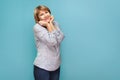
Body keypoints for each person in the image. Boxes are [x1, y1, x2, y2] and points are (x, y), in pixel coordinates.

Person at [33, 5, 64, 80]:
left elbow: (60, 39)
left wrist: (50, 24)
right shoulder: (37, 27)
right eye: (41, 14)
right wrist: (48, 24)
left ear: (50, 13)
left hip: (56, 65)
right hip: (43, 67)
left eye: (46, 12)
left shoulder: (55, 23)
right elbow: (52, 42)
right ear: (38, 18)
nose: (45, 15)